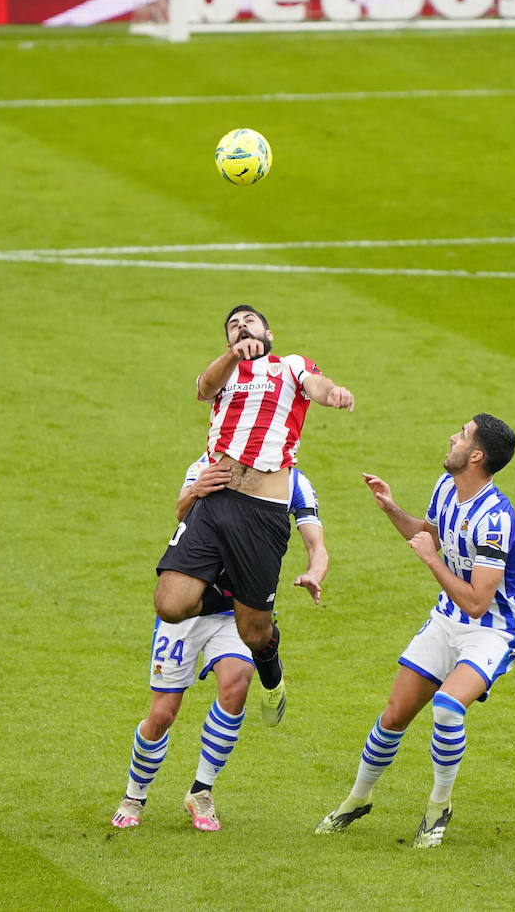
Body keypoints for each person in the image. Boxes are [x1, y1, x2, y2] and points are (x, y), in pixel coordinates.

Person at [315, 415, 515, 849]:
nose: (452, 437)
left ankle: (438, 808)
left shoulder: (496, 519)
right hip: (448, 618)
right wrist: (392, 509)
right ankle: (358, 799)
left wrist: (432, 560)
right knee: (394, 715)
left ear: (477, 455)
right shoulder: (447, 487)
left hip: (491, 631)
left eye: (462, 435)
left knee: (447, 706)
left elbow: (477, 601)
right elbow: (426, 535)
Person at [154, 305, 353, 727]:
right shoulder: (224, 374)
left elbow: (316, 384)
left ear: (269, 332)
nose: (242, 326)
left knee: (254, 632)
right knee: (170, 605)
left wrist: (331, 393)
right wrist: (233, 354)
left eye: (249, 322)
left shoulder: (290, 366)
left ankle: (272, 672)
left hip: (262, 514)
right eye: (233, 325)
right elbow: (203, 388)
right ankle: (227, 591)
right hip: (216, 500)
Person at [114, 454, 329, 831]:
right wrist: (196, 490)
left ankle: (201, 792)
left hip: (234, 610)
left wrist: (314, 571)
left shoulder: (292, 482)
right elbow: (182, 513)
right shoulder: (210, 463)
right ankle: (134, 795)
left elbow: (316, 541)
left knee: (236, 684)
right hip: (191, 608)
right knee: (162, 714)